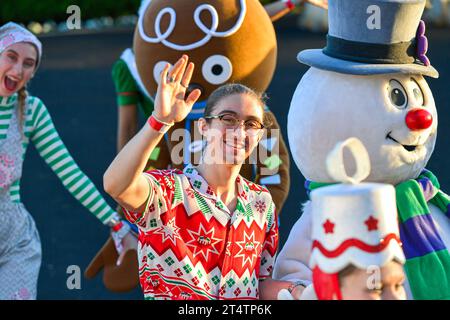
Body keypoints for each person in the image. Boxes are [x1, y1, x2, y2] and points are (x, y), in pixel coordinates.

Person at [104, 55, 302, 300]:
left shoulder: (261, 203)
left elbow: (257, 284)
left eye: (251, 123)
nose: (240, 131)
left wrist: (298, 291)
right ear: (204, 128)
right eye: (228, 119)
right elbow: (115, 184)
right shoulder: (168, 192)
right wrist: (159, 122)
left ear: (260, 136)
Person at [0, 22, 133, 300]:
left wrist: (116, 224)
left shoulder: (31, 111)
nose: (18, 70)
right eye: (11, 57)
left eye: (28, 63)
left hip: (14, 239)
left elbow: (69, 173)